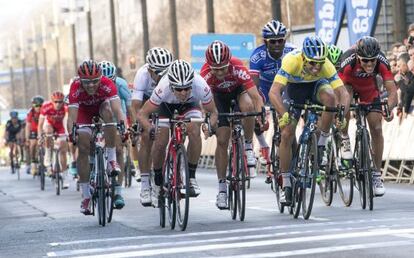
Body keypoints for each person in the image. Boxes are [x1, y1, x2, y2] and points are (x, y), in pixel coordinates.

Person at [269, 36, 350, 205]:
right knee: (286, 133)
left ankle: (322, 142)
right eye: (312, 63)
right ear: (304, 58)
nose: (316, 67)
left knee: (330, 97)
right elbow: (274, 92)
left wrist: (342, 114)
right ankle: (286, 184)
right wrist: (283, 114)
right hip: (294, 90)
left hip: (315, 87)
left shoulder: (325, 65)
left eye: (319, 63)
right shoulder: (291, 61)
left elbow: (343, 93)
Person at [137, 60, 218, 206]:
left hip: (190, 106)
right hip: (165, 107)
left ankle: (191, 177)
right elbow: (142, 114)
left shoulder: (200, 85)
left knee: (194, 130)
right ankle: (157, 181)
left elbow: (213, 112)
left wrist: (209, 125)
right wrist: (150, 128)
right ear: (171, 85)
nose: (184, 92)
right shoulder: (162, 88)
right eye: (179, 89)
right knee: (161, 141)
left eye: (187, 88)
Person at [201, 40, 264, 209]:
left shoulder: (237, 66)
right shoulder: (205, 74)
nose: (220, 72)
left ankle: (248, 146)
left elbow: (256, 96)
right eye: (216, 69)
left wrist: (260, 116)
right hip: (217, 98)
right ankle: (222, 189)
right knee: (222, 140)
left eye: (223, 68)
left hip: (238, 92)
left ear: (229, 62)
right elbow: (204, 104)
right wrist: (208, 122)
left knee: (248, 106)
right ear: (209, 66)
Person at [338, 36, 398, 197]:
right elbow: (340, 90)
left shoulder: (381, 60)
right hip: (348, 86)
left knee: (377, 128)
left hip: (369, 89)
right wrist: (341, 112)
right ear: (358, 57)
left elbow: (392, 92)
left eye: (372, 61)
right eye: (365, 61)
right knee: (343, 109)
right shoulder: (348, 59)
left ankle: (376, 175)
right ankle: (344, 139)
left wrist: (388, 109)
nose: (370, 64)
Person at [67, 60, 126, 215]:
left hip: (101, 109)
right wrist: (71, 133)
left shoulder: (107, 84)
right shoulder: (75, 87)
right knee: (83, 145)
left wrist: (122, 124)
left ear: (100, 78)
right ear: (80, 80)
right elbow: (71, 117)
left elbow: (117, 109)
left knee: (108, 112)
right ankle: (86, 196)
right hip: (83, 114)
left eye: (95, 81)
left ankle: (111, 160)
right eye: (87, 82)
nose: (91, 85)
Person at [249, 20, 295, 166]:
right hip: (264, 88)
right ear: (265, 42)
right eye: (272, 42)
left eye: (280, 41)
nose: (277, 45)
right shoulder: (258, 56)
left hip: (284, 87)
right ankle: (263, 145)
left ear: (285, 40)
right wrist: (259, 109)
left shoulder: (292, 52)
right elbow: (254, 87)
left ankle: (295, 159)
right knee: (253, 107)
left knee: (288, 128)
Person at [131, 47, 174, 207]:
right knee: (146, 137)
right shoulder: (142, 75)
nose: (162, 75)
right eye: (158, 72)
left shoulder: (172, 74)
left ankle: (175, 164)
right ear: (149, 69)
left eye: (166, 71)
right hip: (146, 101)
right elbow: (136, 106)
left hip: (165, 99)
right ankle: (144, 185)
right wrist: (145, 125)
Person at [99, 60, 133, 199]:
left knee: (118, 148)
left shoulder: (121, 85)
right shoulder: (93, 86)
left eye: (111, 81)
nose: (108, 85)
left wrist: (130, 127)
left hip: (117, 116)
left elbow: (130, 108)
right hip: (100, 116)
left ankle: (118, 191)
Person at [38, 91, 69, 188]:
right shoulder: (46, 107)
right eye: (56, 102)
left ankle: (64, 177)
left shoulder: (66, 107)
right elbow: (40, 124)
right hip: (49, 125)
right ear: (52, 102)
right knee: (47, 131)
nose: (58, 104)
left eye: (60, 102)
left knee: (63, 151)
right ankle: (47, 155)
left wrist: (68, 134)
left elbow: (68, 121)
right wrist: (39, 136)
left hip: (60, 126)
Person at [25, 96, 44, 175]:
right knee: (32, 145)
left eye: (40, 105)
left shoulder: (44, 111)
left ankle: (45, 162)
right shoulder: (31, 112)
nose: (39, 107)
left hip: (43, 130)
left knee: (45, 143)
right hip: (33, 130)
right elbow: (28, 126)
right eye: (36, 105)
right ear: (33, 105)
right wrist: (27, 138)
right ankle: (33, 162)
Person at [395, 53, 414, 118]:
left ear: (405, 64)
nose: (398, 69)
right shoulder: (403, 78)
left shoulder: (410, 76)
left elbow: (409, 92)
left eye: (399, 66)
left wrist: (405, 111)